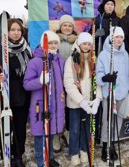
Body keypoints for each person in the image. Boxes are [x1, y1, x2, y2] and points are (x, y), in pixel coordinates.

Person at [0, 19, 32, 166]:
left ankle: (18, 156)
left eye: (18, 30)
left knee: (20, 131)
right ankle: (6, 155)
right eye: (12, 30)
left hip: (23, 98)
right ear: (6, 32)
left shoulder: (27, 49)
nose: (16, 33)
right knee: (5, 130)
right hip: (5, 98)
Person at [23, 30, 64, 167]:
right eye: (50, 43)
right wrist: (40, 81)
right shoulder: (35, 62)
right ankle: (41, 161)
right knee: (40, 134)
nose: (53, 45)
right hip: (40, 105)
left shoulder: (59, 60)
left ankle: (50, 157)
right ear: (43, 45)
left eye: (55, 43)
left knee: (51, 132)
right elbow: (27, 84)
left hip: (56, 104)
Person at [64, 32, 102, 166]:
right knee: (74, 128)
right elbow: (69, 83)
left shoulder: (93, 60)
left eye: (89, 44)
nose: (86, 46)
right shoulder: (72, 60)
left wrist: (97, 98)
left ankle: (84, 149)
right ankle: (74, 153)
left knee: (86, 127)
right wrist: (81, 101)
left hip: (90, 101)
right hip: (76, 102)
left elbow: (97, 81)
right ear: (79, 44)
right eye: (84, 43)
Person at [96, 26, 129, 162]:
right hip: (110, 93)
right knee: (107, 121)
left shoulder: (125, 54)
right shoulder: (104, 54)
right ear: (111, 38)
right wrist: (105, 78)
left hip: (123, 92)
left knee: (119, 119)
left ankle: (112, 144)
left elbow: (128, 72)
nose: (119, 39)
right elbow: (99, 73)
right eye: (116, 37)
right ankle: (105, 145)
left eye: (121, 37)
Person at [53, 14, 78, 152]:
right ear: (60, 27)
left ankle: (67, 132)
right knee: (57, 108)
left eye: (70, 25)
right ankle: (56, 134)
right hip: (58, 80)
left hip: (73, 81)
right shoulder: (55, 40)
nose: (67, 28)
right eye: (65, 25)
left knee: (70, 108)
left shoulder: (77, 41)